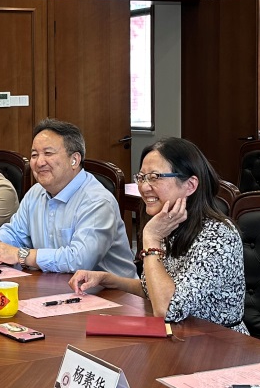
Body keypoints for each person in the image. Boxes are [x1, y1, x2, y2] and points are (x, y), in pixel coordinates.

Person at [69, 138, 246, 329]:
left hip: (217, 340)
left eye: (154, 177)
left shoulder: (218, 235)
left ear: (190, 185)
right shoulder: (168, 223)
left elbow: (167, 309)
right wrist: (108, 279)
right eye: (142, 177)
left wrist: (151, 238)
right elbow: (153, 289)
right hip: (178, 334)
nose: (144, 187)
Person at [0, 118, 136, 277]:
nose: (39, 162)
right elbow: (15, 232)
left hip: (110, 291)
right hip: (55, 284)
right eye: (34, 155)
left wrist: (21, 255)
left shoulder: (97, 201)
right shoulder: (35, 192)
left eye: (48, 153)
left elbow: (79, 260)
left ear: (74, 160)